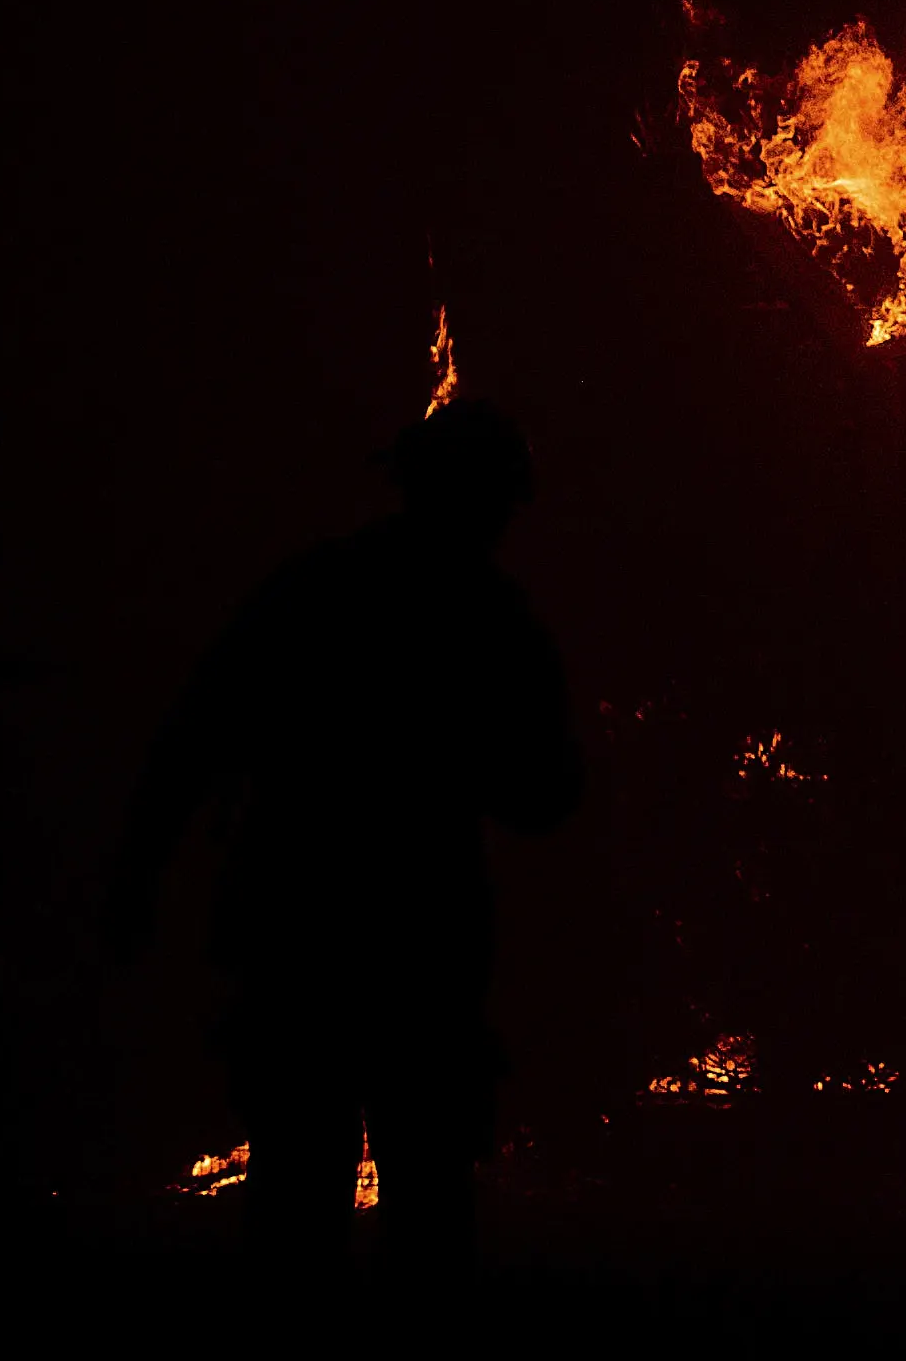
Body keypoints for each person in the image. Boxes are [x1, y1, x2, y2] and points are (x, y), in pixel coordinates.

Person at [106, 398, 583, 1277]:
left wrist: (139, 872)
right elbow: (546, 797)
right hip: (417, 941)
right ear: (492, 499)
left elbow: (193, 734)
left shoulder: (314, 590)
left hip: (297, 924)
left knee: (298, 1185)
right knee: (427, 1192)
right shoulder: (494, 620)